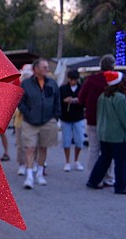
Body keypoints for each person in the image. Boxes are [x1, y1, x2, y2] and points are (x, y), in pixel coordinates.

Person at [18, 58, 61, 189]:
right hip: (30, 122)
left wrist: (55, 117)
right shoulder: (26, 84)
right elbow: (20, 101)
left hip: (48, 121)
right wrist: (28, 113)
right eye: (44, 67)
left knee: (43, 147)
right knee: (30, 148)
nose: (47, 69)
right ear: (35, 69)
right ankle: (29, 176)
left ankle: (40, 173)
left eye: (47, 67)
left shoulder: (52, 83)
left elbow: (57, 100)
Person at [86, 71, 126, 194]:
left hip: (104, 133)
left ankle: (93, 180)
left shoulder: (103, 96)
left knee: (105, 157)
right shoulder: (120, 98)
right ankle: (120, 186)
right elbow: (124, 118)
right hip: (117, 135)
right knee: (121, 161)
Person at [79, 54, 117, 186]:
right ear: (112, 66)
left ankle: (94, 176)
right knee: (109, 151)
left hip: (93, 119)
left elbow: (81, 99)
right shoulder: (116, 80)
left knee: (94, 149)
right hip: (111, 122)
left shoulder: (90, 80)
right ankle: (108, 177)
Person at [59, 69, 85, 171]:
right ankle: (67, 161)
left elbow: (84, 101)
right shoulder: (63, 88)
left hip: (78, 117)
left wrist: (78, 101)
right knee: (66, 141)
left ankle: (76, 160)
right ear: (68, 79)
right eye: (71, 79)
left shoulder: (81, 88)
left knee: (80, 140)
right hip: (66, 118)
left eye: (74, 80)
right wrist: (64, 100)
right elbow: (58, 101)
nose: (73, 82)